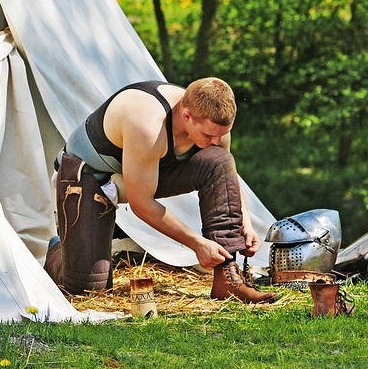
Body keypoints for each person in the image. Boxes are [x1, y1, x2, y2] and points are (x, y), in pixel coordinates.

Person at [44, 78, 278, 304]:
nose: (217, 140)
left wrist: (245, 223)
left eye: (222, 134)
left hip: (139, 173)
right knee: (87, 288)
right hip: (88, 177)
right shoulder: (147, 124)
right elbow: (141, 204)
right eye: (208, 135)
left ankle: (227, 279)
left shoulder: (215, 123)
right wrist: (197, 244)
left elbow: (227, 175)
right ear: (187, 116)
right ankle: (58, 249)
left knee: (220, 161)